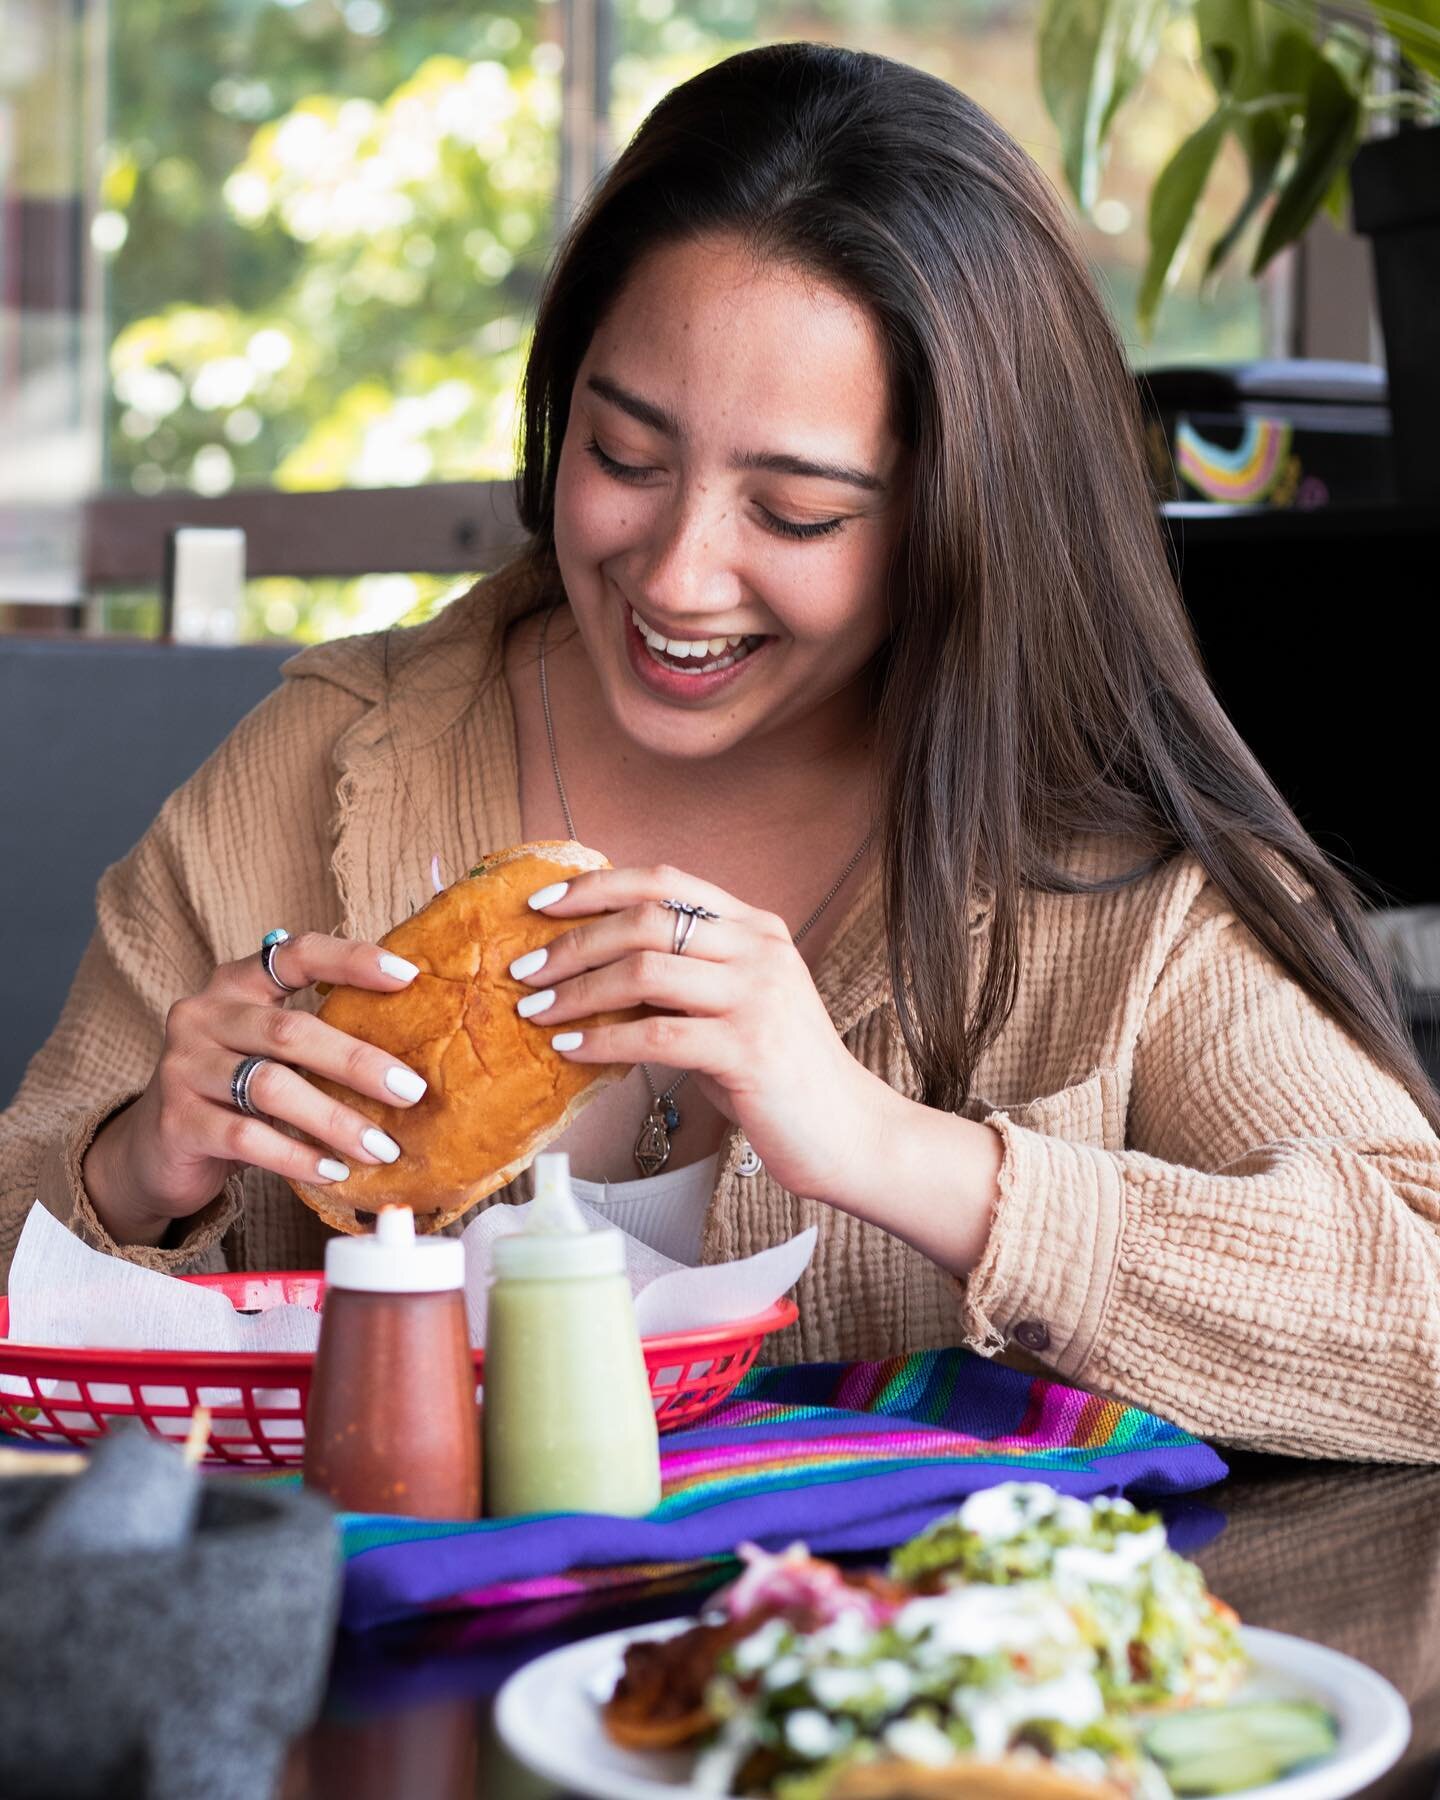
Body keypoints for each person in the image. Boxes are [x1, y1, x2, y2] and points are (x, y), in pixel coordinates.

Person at [2, 43, 1437, 1460]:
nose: (679, 576)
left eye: (798, 513)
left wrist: (885, 1148)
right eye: (625, 457)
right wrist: (131, 1173)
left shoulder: (1108, 866)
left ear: (961, 520)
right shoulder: (314, 770)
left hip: (887, 1672)